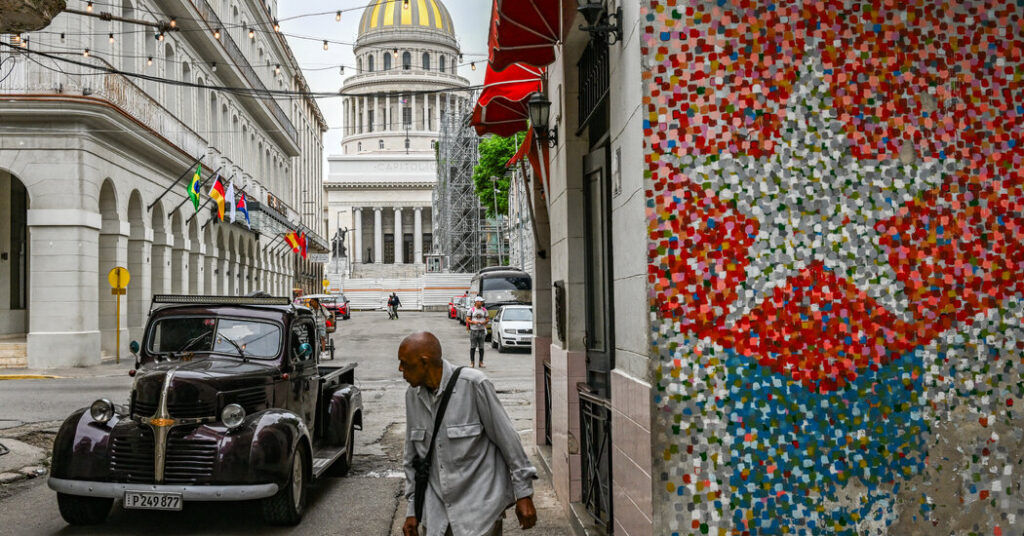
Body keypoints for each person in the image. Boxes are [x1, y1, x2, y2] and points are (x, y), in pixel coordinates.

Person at [398, 332, 537, 536]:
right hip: (437, 516)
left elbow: (508, 441)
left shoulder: (474, 384)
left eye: (405, 363)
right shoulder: (412, 396)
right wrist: (413, 510)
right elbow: (412, 458)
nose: (401, 369)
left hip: (480, 513)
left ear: (424, 362)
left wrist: (524, 494)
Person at [466, 296, 488, 368]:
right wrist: (473, 322)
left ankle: (481, 362)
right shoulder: (471, 310)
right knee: (473, 347)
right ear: (476, 302)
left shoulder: (484, 310)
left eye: (482, 302)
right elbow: (467, 320)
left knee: (481, 347)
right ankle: (472, 363)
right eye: (480, 301)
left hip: (481, 330)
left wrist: (484, 322)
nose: (481, 303)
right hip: (474, 331)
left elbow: (487, 319)